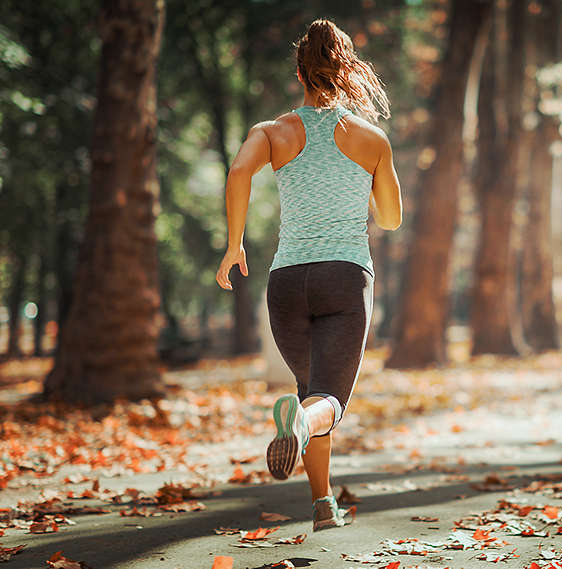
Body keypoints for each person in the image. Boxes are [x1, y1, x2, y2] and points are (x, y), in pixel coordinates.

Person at [214, 19, 402, 532]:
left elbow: (237, 173)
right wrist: (358, 184)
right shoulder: (371, 138)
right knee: (328, 402)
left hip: (287, 282)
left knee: (312, 391)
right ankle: (297, 424)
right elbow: (390, 218)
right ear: (346, 72)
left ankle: (323, 505)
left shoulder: (271, 132)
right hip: (344, 277)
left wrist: (234, 244)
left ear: (299, 73)